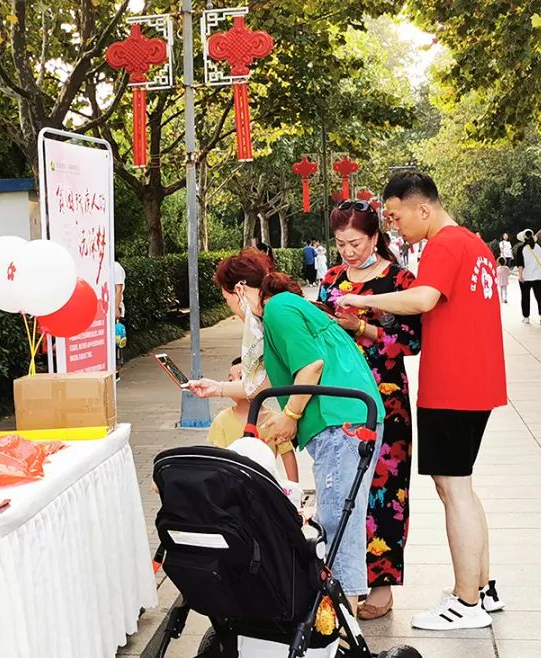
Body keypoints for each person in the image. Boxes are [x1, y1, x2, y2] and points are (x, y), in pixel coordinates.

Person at [337, 172, 506, 630]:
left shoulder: (445, 245)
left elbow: (424, 298)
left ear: (423, 209)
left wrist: (361, 303)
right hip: (475, 382)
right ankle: (482, 588)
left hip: (455, 385)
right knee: (461, 489)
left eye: (395, 216)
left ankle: (466, 603)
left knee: (454, 491)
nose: (395, 227)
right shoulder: (473, 243)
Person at [187, 249, 383, 609]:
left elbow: (310, 367)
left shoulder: (277, 309)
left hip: (342, 419)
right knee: (335, 514)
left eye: (227, 297)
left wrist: (289, 416)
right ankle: (341, 605)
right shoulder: (279, 311)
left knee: (339, 518)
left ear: (241, 289)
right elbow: (264, 384)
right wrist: (217, 388)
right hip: (344, 417)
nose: (229, 306)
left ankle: (344, 610)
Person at [318, 199, 422, 621]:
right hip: (341, 397)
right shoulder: (332, 278)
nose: (348, 251)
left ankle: (381, 582)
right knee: (342, 487)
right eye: (341, 243)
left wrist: (361, 326)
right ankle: (344, 575)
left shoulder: (400, 280)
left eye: (356, 242)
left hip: (386, 397)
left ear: (376, 237)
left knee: (384, 488)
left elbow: (411, 342)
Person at [206, 357, 300, 482]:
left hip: (265, 484)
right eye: (230, 380)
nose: (234, 384)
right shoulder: (221, 420)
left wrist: (294, 490)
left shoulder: (274, 419)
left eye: (241, 378)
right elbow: (218, 461)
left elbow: (288, 456)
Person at [515, 229, 541, 325]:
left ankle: (526, 317)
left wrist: (520, 275)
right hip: (539, 277)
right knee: (540, 296)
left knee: (525, 297)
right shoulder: (539, 247)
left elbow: (520, 263)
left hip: (526, 277)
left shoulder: (521, 248)